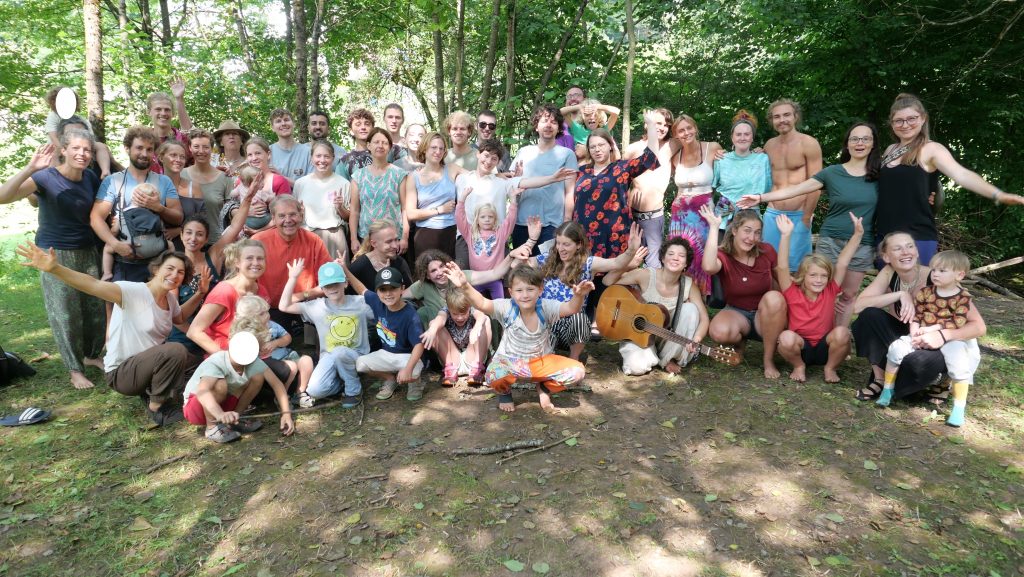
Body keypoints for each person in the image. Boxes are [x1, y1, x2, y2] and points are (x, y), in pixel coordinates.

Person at [17, 243, 194, 425]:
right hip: (122, 373)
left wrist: (201, 293)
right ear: (157, 269)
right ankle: (157, 406)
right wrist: (55, 269)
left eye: (180, 272)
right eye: (170, 268)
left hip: (146, 367)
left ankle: (152, 389)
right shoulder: (132, 291)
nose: (174, 275)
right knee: (175, 350)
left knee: (193, 360)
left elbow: (179, 317)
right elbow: (92, 284)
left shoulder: (169, 299)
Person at [739, 122, 880, 327]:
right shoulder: (832, 173)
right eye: (854, 139)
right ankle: (817, 333)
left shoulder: (880, 176)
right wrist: (761, 197)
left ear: (873, 144)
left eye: (865, 139)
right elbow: (797, 189)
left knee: (848, 294)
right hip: (831, 240)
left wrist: (931, 196)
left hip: (862, 243)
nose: (860, 143)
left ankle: (838, 336)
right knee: (822, 289)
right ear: (847, 144)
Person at [0, 136, 105, 390]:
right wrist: (29, 168)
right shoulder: (45, 177)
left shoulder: (90, 177)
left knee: (95, 309)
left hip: (87, 250)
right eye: (76, 149)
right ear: (64, 150)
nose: (82, 154)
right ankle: (74, 369)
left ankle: (92, 355)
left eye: (87, 150)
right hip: (54, 253)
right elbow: (3, 197)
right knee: (66, 313)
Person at [876, 93, 1024, 265]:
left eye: (912, 118)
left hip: (916, 237)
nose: (905, 125)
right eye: (898, 120)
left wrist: (997, 194)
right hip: (885, 237)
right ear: (891, 123)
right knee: (887, 291)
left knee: (914, 291)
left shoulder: (931, 149)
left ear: (923, 118)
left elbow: (961, 174)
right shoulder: (889, 150)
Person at [445, 264, 588, 413]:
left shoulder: (546, 307)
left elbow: (571, 308)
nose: (525, 295)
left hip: (540, 362)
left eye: (530, 289)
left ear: (540, 290)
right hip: (511, 362)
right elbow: (481, 302)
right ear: (511, 292)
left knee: (577, 371)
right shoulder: (506, 307)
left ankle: (544, 387)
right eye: (519, 290)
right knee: (492, 374)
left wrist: (578, 296)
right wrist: (464, 285)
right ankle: (505, 392)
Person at [876, 250, 983, 427]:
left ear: (960, 274)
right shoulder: (926, 292)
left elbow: (958, 321)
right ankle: (887, 389)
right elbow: (917, 316)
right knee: (896, 348)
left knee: (959, 365)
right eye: (934, 270)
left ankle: (958, 408)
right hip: (922, 333)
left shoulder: (963, 297)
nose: (935, 274)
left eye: (942, 271)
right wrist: (915, 330)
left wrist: (933, 329)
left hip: (950, 338)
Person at [513, 221, 642, 361]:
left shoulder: (587, 263)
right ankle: (545, 356)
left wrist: (631, 250)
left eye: (566, 244)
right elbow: (516, 265)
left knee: (580, 320)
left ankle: (574, 360)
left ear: (579, 245)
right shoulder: (546, 259)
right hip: (545, 323)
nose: (561, 248)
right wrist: (531, 240)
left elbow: (616, 263)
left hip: (570, 328)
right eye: (558, 243)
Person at [851, 232, 955, 402]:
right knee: (869, 315)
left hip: (933, 344)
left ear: (917, 251)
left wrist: (939, 335)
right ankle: (880, 380)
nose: (906, 252)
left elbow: (963, 321)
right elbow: (858, 306)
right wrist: (900, 294)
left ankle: (942, 380)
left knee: (915, 364)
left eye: (909, 246)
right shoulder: (889, 272)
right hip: (905, 340)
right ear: (886, 257)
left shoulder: (936, 278)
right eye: (897, 248)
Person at [166, 183, 256, 353]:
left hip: (216, 332)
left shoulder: (213, 256)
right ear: (181, 235)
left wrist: (248, 198)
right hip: (184, 336)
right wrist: (198, 336)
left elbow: (235, 227)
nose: (193, 238)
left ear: (206, 239)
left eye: (199, 234)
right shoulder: (174, 266)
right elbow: (174, 316)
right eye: (189, 233)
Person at [699, 206, 787, 379]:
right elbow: (708, 267)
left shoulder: (766, 251)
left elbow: (784, 281)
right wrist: (714, 227)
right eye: (747, 231)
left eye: (757, 233)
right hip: (738, 312)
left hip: (767, 315)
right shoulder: (724, 255)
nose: (751, 238)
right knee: (719, 331)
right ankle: (740, 344)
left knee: (774, 297)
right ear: (734, 230)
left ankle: (768, 360)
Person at [774, 213, 862, 383]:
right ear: (802, 276)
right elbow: (782, 266)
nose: (819, 280)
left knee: (843, 333)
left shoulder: (829, 290)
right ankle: (799, 366)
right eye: (813, 275)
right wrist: (786, 235)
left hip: (825, 347)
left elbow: (843, 262)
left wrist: (857, 234)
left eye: (823, 275)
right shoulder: (792, 291)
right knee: (785, 338)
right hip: (800, 347)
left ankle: (830, 368)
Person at [602, 237, 710, 376]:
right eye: (670, 254)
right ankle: (656, 357)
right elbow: (607, 281)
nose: (675, 258)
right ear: (663, 259)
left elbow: (704, 318)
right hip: (639, 336)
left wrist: (696, 340)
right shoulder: (646, 275)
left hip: (669, 338)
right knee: (636, 368)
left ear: (686, 264)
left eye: (681, 256)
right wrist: (628, 266)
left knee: (691, 310)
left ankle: (668, 358)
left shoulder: (688, 285)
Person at [90, 126, 183, 282]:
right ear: (127, 148)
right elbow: (95, 217)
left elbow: (178, 218)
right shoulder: (114, 181)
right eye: (139, 148)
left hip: (158, 264)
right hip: (125, 264)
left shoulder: (163, 181)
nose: (144, 154)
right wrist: (114, 244)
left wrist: (158, 207)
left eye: (149, 149)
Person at [279, 260, 372, 409]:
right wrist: (293, 278)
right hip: (328, 357)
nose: (332, 288)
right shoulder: (317, 306)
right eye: (328, 285)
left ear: (345, 283)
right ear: (322, 288)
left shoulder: (360, 303)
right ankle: (342, 380)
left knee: (340, 352)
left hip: (356, 355)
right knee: (314, 390)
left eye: (336, 283)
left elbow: (381, 307)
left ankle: (354, 390)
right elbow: (283, 306)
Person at [182, 328, 294, 444]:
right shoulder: (216, 361)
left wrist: (286, 414)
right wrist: (219, 414)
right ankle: (212, 428)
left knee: (258, 377)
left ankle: (235, 420)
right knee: (221, 384)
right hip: (195, 407)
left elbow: (277, 385)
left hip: (222, 406)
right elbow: (202, 391)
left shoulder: (252, 362)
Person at [574, 111, 661, 260]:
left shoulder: (621, 168)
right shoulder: (580, 172)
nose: (597, 149)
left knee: (614, 281)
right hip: (583, 238)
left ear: (610, 146)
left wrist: (651, 126)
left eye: (601, 145)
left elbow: (650, 157)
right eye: (592, 146)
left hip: (614, 237)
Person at [252, 195, 332, 337]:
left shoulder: (313, 240)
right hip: (269, 308)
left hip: (303, 305)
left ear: (301, 215)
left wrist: (303, 295)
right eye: (281, 216)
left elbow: (329, 282)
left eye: (292, 214)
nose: (288, 220)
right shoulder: (258, 241)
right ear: (273, 218)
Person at [761, 99, 823, 272]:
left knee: (798, 268)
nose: (782, 120)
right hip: (773, 214)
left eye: (787, 115)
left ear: (795, 117)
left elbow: (816, 184)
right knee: (770, 265)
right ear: (772, 121)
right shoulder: (769, 145)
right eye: (777, 116)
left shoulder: (809, 143)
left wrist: (806, 217)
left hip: (798, 215)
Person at [346, 267, 426, 402]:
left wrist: (408, 369)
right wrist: (344, 269)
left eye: (393, 288)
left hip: (406, 356)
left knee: (414, 369)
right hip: (386, 354)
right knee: (360, 364)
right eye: (383, 289)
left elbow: (419, 345)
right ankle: (390, 379)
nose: (388, 294)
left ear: (402, 289)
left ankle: (415, 383)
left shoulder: (410, 314)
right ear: (377, 291)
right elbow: (361, 289)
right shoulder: (378, 302)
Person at [509, 104, 579, 251]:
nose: (548, 125)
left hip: (552, 225)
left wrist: (566, 222)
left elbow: (569, 192)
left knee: (546, 269)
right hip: (522, 222)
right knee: (521, 269)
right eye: (544, 121)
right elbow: (513, 185)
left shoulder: (567, 154)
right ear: (536, 126)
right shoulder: (524, 151)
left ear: (559, 128)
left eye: (554, 122)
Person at [668, 114, 724, 293]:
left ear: (695, 128)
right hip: (680, 215)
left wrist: (757, 152)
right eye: (681, 130)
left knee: (701, 254)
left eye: (689, 128)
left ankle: (702, 296)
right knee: (680, 254)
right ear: (676, 135)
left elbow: (732, 167)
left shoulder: (712, 148)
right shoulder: (676, 156)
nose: (686, 133)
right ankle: (680, 295)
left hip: (704, 213)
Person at [187, 238, 272, 354]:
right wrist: (226, 359)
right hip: (226, 356)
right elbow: (194, 332)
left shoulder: (261, 290)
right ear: (237, 262)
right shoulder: (224, 291)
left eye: (260, 258)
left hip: (254, 353)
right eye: (249, 258)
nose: (256, 263)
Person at [407, 248, 515, 329]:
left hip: (468, 328)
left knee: (486, 316)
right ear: (427, 276)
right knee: (422, 312)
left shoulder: (460, 276)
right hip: (442, 334)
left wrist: (510, 256)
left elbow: (494, 274)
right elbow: (400, 297)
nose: (440, 272)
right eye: (433, 271)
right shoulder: (422, 286)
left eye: (441, 266)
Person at [624, 107, 677, 269]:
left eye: (666, 125)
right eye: (657, 123)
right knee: (629, 260)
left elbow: (695, 143)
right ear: (647, 124)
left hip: (654, 218)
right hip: (631, 216)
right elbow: (619, 178)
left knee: (654, 263)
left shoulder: (672, 145)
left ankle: (653, 294)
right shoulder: (633, 149)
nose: (661, 127)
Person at [404, 131, 466, 259]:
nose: (438, 151)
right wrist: (439, 210)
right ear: (425, 149)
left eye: (441, 148)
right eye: (434, 147)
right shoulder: (413, 177)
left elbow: (476, 177)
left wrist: (498, 176)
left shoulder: (452, 169)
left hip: (451, 231)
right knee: (427, 276)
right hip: (425, 234)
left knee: (451, 275)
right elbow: (410, 214)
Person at [349, 128, 409, 253]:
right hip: (366, 239)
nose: (380, 146)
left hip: (392, 240)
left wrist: (404, 237)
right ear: (369, 145)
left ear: (390, 147)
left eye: (384, 143)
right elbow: (354, 211)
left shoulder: (399, 174)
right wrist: (353, 238)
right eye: (376, 142)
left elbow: (404, 209)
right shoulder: (358, 176)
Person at [99, 182, 173, 282]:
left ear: (133, 198)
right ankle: (168, 267)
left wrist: (114, 237)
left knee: (108, 248)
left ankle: (107, 273)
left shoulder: (122, 214)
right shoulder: (156, 214)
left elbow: (114, 231)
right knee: (171, 245)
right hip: (155, 250)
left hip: (131, 248)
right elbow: (161, 232)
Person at [420, 286, 492, 387]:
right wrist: (432, 330)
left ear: (468, 307)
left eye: (463, 313)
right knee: (434, 324)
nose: (460, 318)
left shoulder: (472, 308)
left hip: (472, 357)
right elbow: (440, 319)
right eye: (455, 314)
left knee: (485, 320)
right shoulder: (445, 311)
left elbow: (481, 316)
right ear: (449, 308)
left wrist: (476, 327)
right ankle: (450, 370)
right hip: (453, 359)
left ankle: (477, 367)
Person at [294, 140, 350, 258]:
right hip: (307, 235)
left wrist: (340, 207)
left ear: (333, 158)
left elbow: (349, 217)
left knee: (335, 274)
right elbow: (295, 214)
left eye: (326, 156)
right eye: (318, 156)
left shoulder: (344, 183)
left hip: (334, 236)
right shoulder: (300, 184)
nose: (322, 160)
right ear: (311, 158)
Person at [711, 111, 771, 221]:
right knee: (719, 238)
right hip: (723, 214)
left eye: (747, 134)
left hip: (751, 215)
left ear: (752, 137)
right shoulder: (721, 159)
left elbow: (768, 192)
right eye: (738, 134)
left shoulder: (762, 159)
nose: (742, 138)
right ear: (732, 138)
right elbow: (712, 189)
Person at [42, 87, 112, 177]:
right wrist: (64, 148)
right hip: (59, 144)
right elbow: (53, 136)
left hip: (80, 144)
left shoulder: (81, 119)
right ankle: (57, 176)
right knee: (54, 153)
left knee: (101, 146)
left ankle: (105, 171)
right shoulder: (53, 116)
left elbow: (89, 137)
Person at [182, 128, 232, 243]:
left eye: (205, 147)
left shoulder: (225, 178)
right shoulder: (180, 175)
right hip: (187, 242)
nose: (201, 151)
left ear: (211, 149)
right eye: (196, 146)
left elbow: (231, 213)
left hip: (216, 242)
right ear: (190, 148)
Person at [349, 220, 415, 295]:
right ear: (374, 243)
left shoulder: (400, 262)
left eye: (396, 240)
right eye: (389, 241)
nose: (395, 246)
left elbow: (410, 293)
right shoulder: (359, 267)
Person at [145, 81, 193, 172]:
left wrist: (179, 99)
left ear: (173, 113)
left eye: (167, 110)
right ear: (149, 112)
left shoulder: (182, 139)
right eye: (158, 109)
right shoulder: (144, 140)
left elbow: (189, 131)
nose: (163, 113)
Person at [156, 140, 197, 244]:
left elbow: (202, 218)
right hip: (157, 246)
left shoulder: (193, 187)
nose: (178, 160)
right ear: (161, 158)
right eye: (173, 155)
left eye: (182, 157)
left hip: (188, 245)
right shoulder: (152, 185)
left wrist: (180, 230)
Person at [268, 108, 311, 183]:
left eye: (286, 120)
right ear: (273, 128)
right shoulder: (267, 152)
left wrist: (280, 176)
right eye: (278, 121)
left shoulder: (308, 152)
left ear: (294, 124)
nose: (283, 124)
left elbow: (310, 186)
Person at [335, 108, 375, 181]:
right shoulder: (345, 161)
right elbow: (341, 188)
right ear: (351, 131)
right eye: (358, 124)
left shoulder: (385, 153)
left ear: (373, 128)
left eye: (367, 124)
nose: (363, 127)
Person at [559, 85, 586, 151]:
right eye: (569, 96)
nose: (573, 99)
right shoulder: (559, 125)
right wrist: (579, 106)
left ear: (585, 99)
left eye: (577, 95)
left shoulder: (593, 122)